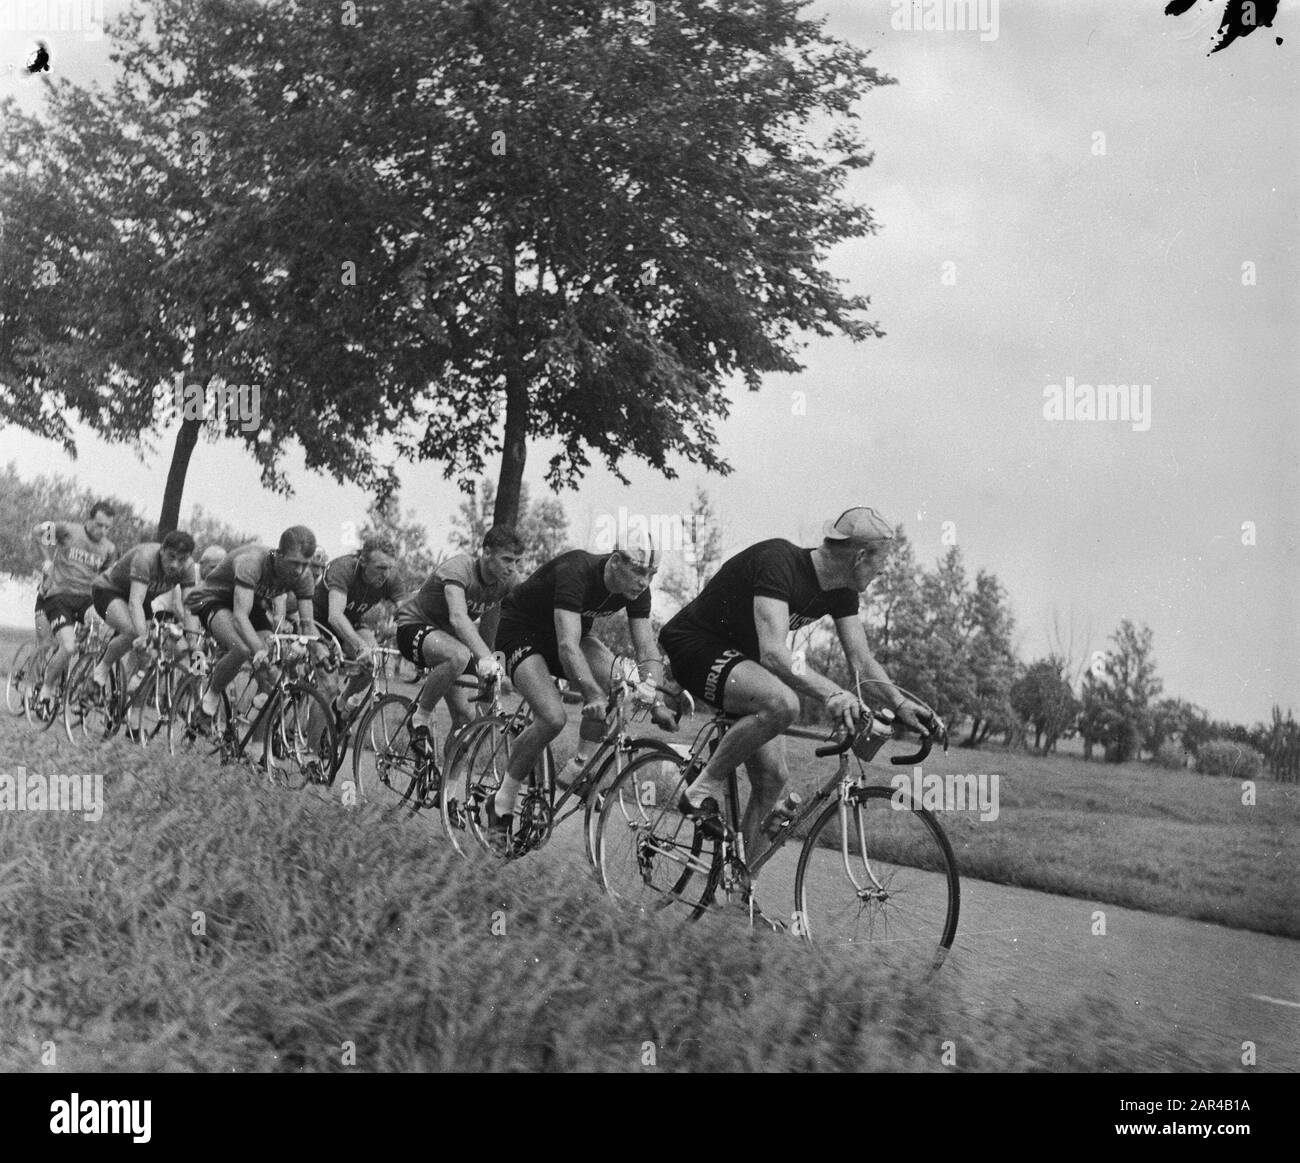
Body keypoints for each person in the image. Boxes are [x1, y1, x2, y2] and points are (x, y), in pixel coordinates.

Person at [658, 506, 942, 874]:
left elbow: (862, 659)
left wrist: (901, 704)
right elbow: (775, 654)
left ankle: (739, 893)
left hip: (743, 662)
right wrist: (832, 693)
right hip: (695, 646)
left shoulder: (841, 590)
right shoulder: (779, 562)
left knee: (773, 778)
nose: (883, 570)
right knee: (782, 703)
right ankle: (698, 792)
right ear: (859, 557)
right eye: (881, 561)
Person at [487, 530, 676, 850]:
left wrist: (652, 700)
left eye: (652, 574)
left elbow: (646, 651)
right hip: (521, 633)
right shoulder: (576, 571)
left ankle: (577, 768)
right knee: (552, 717)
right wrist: (592, 694)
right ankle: (501, 801)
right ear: (616, 561)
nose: (645, 582)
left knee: (624, 678)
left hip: (569, 640)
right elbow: (567, 646)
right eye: (640, 571)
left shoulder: (636, 591)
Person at [394, 526, 523, 764]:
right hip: (413, 626)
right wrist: (486, 658)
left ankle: (447, 795)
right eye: (506, 559)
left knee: (467, 718)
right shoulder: (460, 568)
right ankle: (419, 718)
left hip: (448, 640)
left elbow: (512, 620)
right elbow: (458, 618)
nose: (512, 567)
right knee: (459, 655)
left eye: (516, 561)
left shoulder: (507, 581)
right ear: (486, 553)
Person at [183, 526, 320, 726]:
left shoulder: (304, 576)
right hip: (212, 599)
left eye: (304, 564)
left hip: (251, 604)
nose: (299, 570)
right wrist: (259, 651)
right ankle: (210, 697)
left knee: (273, 660)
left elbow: (308, 624)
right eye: (294, 563)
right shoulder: (252, 561)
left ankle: (252, 739)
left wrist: (322, 650)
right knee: (243, 648)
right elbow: (239, 617)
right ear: (280, 555)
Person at [30, 501, 117, 715]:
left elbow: (106, 577)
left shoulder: (109, 548)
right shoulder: (69, 530)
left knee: (100, 636)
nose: (102, 531)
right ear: (89, 519)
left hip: (86, 600)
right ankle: (45, 691)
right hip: (59, 596)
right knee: (66, 647)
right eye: (99, 525)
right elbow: (37, 532)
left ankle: (83, 683)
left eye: (107, 527)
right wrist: (47, 562)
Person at [89, 531, 201, 695]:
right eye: (171, 557)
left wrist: (192, 639)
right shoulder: (145, 557)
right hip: (109, 591)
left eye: (182, 559)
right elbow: (135, 602)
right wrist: (142, 637)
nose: (175, 565)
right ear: (162, 550)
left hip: (143, 599)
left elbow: (189, 606)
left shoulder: (188, 568)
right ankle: (102, 668)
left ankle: (125, 693)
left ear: (189, 558)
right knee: (135, 632)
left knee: (156, 643)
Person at [316, 537, 407, 720]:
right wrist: (360, 646)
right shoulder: (343, 569)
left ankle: (341, 702)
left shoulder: (390, 577)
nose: (386, 574)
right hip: (320, 622)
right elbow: (334, 616)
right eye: (380, 568)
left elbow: (408, 613)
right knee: (328, 686)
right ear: (363, 562)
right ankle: (313, 748)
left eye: (389, 568)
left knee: (373, 659)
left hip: (351, 623)